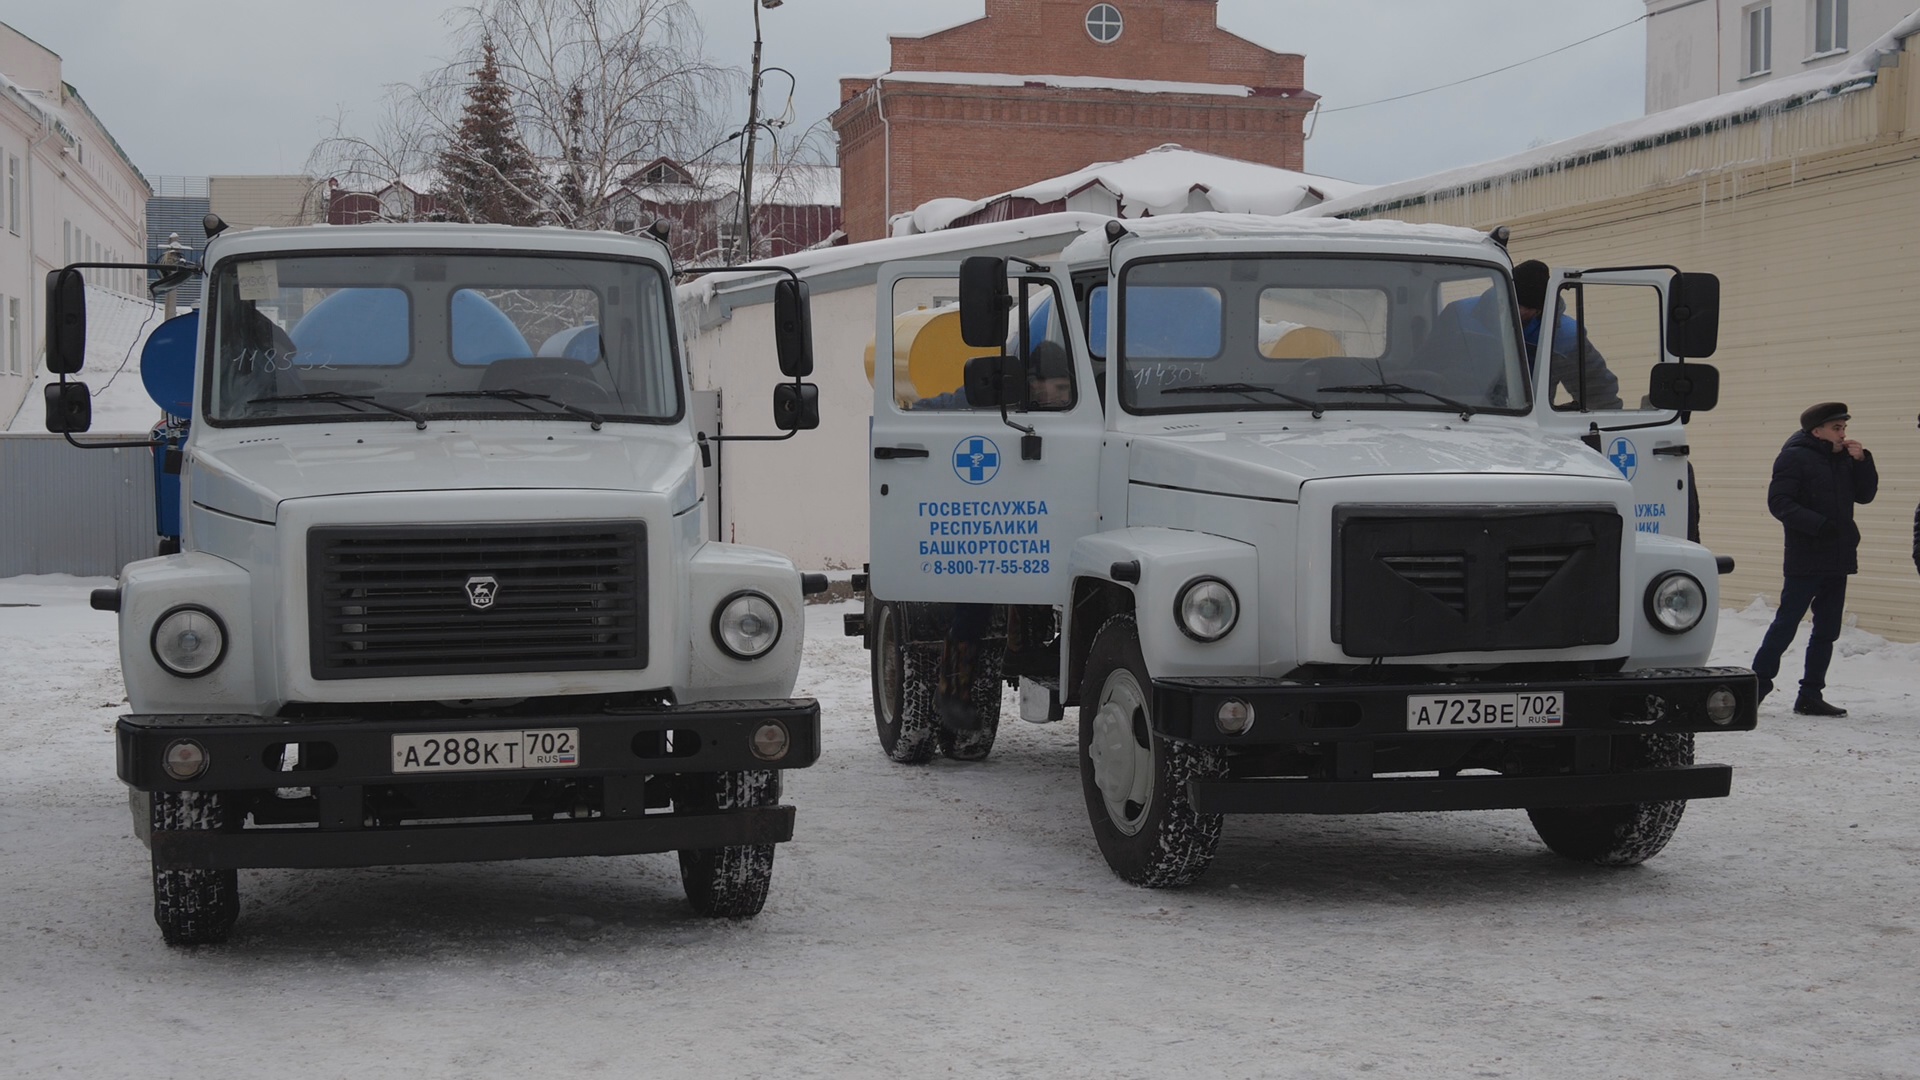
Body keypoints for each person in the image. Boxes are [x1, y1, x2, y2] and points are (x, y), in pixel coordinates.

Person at [1750, 402, 1878, 716]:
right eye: (1837, 428)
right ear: (1816, 430)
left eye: (1844, 427)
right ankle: (1754, 690)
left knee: (1827, 630)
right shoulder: (1794, 457)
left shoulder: (1844, 459)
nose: (1843, 434)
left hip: (1838, 556)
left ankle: (1810, 694)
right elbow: (1779, 502)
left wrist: (1863, 461)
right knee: (1786, 625)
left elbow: (1865, 495)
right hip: (1806, 557)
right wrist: (1819, 526)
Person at [1511, 259, 1623, 410]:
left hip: (1528, 423)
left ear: (1539, 309)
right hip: (1475, 419)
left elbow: (1597, 392)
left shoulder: (1564, 337)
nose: (1517, 311)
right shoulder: (1472, 318)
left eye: (1525, 306)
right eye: (1514, 303)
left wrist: (1606, 426)